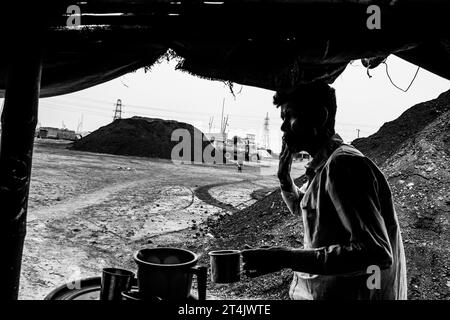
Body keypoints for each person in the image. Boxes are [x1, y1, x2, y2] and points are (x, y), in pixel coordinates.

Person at [241, 82, 407, 300]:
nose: (282, 128)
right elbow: (310, 210)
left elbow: (375, 253)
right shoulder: (326, 164)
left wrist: (285, 258)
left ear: (319, 116)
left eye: (289, 116)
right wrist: (284, 178)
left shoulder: (343, 166)